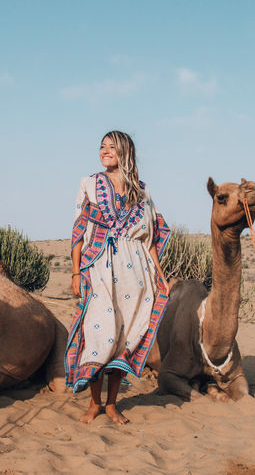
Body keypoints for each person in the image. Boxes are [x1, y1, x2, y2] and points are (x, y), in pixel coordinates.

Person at [65, 130, 170, 424]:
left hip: (136, 271)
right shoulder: (89, 184)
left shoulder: (143, 191)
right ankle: (94, 403)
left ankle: (112, 404)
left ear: (125, 152)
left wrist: (160, 276)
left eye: (112, 147)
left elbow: (150, 240)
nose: (105, 151)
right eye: (102, 147)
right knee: (99, 334)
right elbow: (78, 230)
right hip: (99, 266)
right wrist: (76, 272)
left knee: (126, 336)